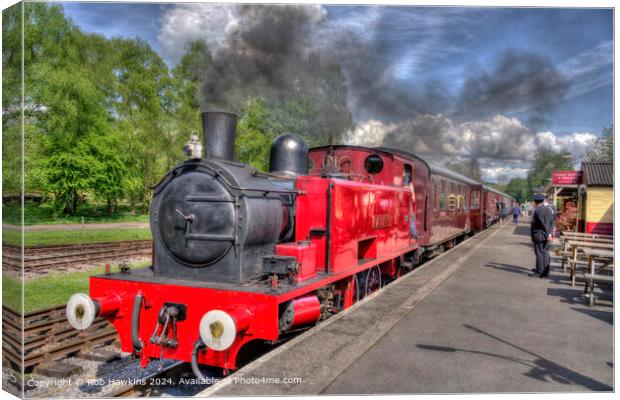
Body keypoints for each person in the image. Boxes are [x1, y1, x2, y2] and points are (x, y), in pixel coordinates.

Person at [530, 194, 555, 278]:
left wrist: (548, 234)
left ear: (535, 202)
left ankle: (540, 271)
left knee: (539, 253)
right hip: (546, 234)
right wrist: (550, 233)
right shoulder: (549, 209)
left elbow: (542, 224)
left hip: (540, 234)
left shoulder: (538, 210)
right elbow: (552, 222)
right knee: (545, 252)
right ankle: (545, 271)